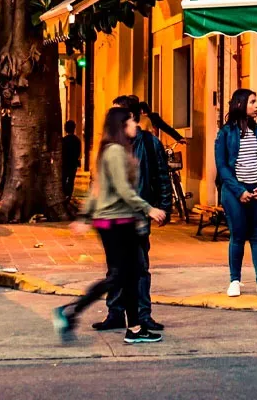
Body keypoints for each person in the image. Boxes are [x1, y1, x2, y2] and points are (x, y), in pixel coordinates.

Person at [53, 107, 167, 345]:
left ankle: (134, 329)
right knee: (119, 276)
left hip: (116, 220)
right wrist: (149, 209)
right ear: (122, 125)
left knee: (128, 275)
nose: (136, 126)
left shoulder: (109, 150)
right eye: (132, 122)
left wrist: (85, 217)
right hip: (116, 222)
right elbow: (123, 190)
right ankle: (71, 311)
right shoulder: (115, 151)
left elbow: (97, 189)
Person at [95, 95, 170, 332]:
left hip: (136, 217)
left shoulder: (149, 143)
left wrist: (164, 208)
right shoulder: (110, 145)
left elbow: (161, 176)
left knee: (139, 267)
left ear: (131, 118)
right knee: (116, 267)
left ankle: (142, 314)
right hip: (113, 217)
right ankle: (116, 313)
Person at [215, 88, 257, 299]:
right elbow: (222, 166)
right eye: (252, 101)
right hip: (234, 192)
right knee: (238, 236)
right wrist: (239, 191)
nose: (256, 105)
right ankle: (234, 280)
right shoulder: (225, 133)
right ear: (241, 104)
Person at [61, 119, 81, 201]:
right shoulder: (77, 140)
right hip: (73, 164)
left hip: (65, 164)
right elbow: (78, 152)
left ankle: (64, 195)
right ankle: (68, 196)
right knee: (71, 180)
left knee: (63, 179)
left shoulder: (63, 140)